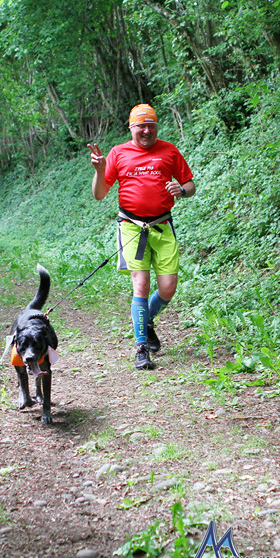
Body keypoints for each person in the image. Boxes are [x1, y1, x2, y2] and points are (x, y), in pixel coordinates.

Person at [88, 103, 195, 370]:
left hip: (162, 225)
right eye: (141, 126)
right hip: (132, 226)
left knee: (168, 287)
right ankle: (141, 348)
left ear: (156, 127)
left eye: (151, 126)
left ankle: (146, 319)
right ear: (131, 128)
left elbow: (190, 185)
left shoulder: (169, 151)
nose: (146, 131)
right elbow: (99, 194)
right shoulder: (118, 153)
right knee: (141, 284)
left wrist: (181, 191)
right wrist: (100, 170)